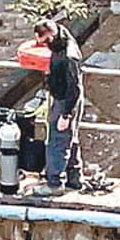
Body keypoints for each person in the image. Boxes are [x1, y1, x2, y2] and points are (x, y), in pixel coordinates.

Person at [32, 19, 84, 197]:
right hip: (63, 96)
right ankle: (74, 178)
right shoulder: (61, 36)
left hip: (66, 100)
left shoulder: (69, 55)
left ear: (52, 36)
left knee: (58, 141)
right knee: (71, 138)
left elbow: (74, 88)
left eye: (45, 42)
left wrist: (66, 114)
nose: (45, 46)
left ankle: (54, 183)